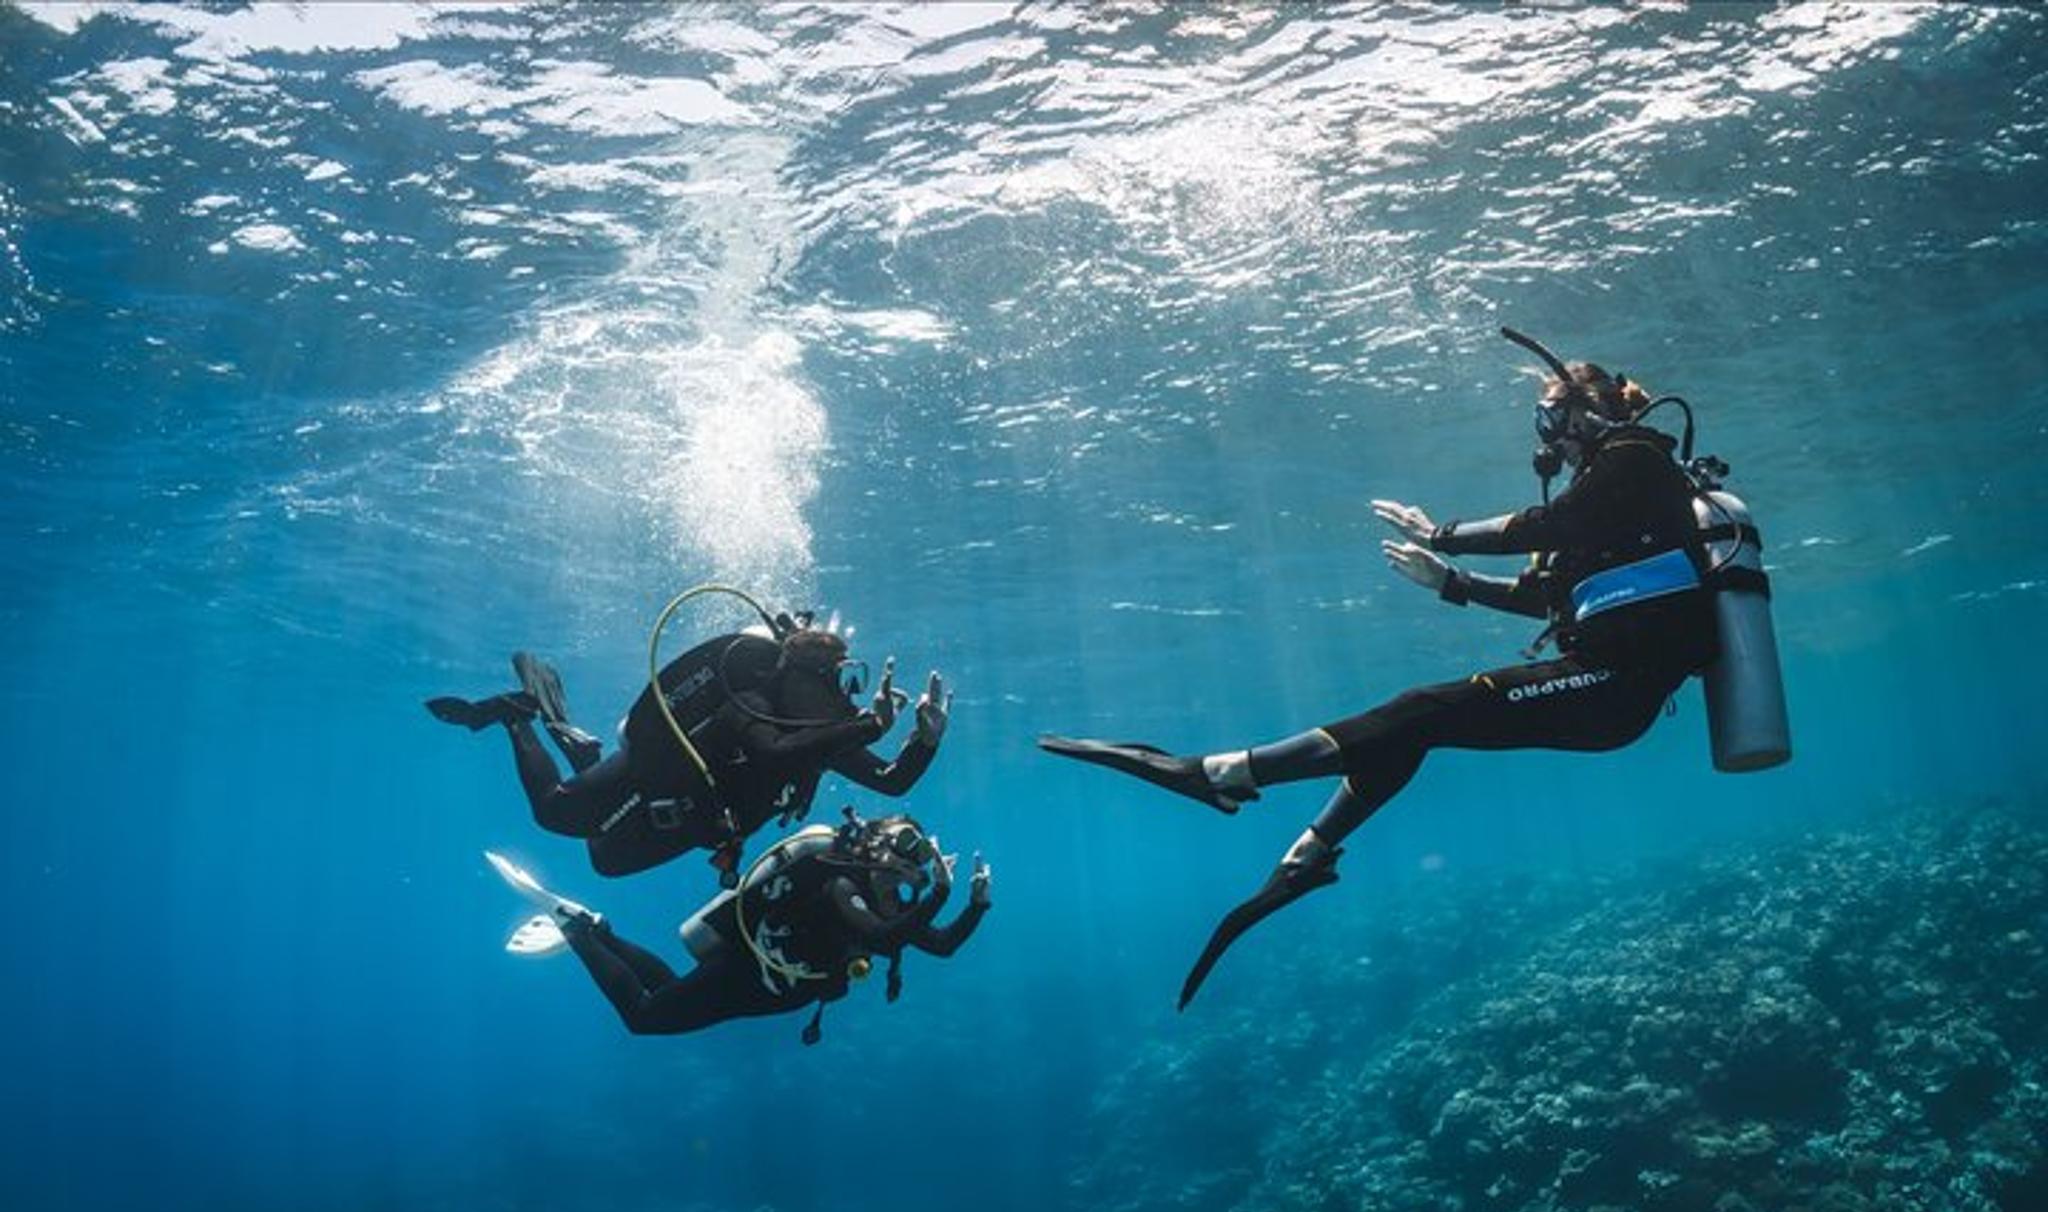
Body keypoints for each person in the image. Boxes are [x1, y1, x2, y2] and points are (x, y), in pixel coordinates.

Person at [1041, 333, 1726, 1009]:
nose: (1548, 435)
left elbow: (1545, 523)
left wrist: (1442, 532)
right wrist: (1451, 582)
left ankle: (1218, 772)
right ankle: (1303, 859)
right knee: (1413, 728)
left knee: (1423, 708)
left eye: (1551, 417)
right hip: (1601, 684)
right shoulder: (1607, 497)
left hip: (1617, 687)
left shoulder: (1635, 456)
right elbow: (1541, 596)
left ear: (1587, 411)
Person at [428, 627, 948, 881]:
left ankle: (584, 751)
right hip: (653, 777)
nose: (844, 697)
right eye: (837, 682)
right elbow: (770, 751)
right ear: (800, 677)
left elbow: (892, 780)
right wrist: (863, 725)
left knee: (605, 860)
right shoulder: (752, 702)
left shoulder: (817, 729)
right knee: (554, 813)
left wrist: (924, 740)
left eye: (848, 686)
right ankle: (517, 718)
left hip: (695, 818)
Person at [497, 813, 994, 1043]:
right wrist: (941, 895)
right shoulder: (842, 888)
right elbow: (887, 938)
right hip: (745, 974)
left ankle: (599, 931)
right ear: (875, 847)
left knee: (668, 992)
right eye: (905, 844)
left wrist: (975, 905)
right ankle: (580, 932)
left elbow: (942, 944)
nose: (913, 860)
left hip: (763, 988)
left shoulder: (888, 912)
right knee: (644, 1017)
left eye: (919, 853)